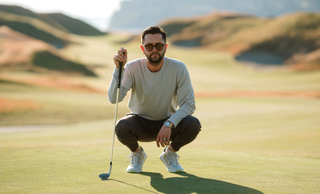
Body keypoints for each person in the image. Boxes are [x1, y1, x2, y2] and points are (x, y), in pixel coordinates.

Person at [108, 26, 201, 173]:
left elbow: (189, 104)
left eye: (158, 45)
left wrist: (169, 124)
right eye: (149, 46)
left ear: (165, 47)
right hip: (140, 122)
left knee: (193, 124)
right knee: (121, 127)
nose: (154, 50)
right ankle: (137, 153)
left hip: (168, 124)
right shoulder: (132, 68)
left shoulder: (178, 68)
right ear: (143, 48)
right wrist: (119, 69)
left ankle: (169, 153)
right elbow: (114, 98)